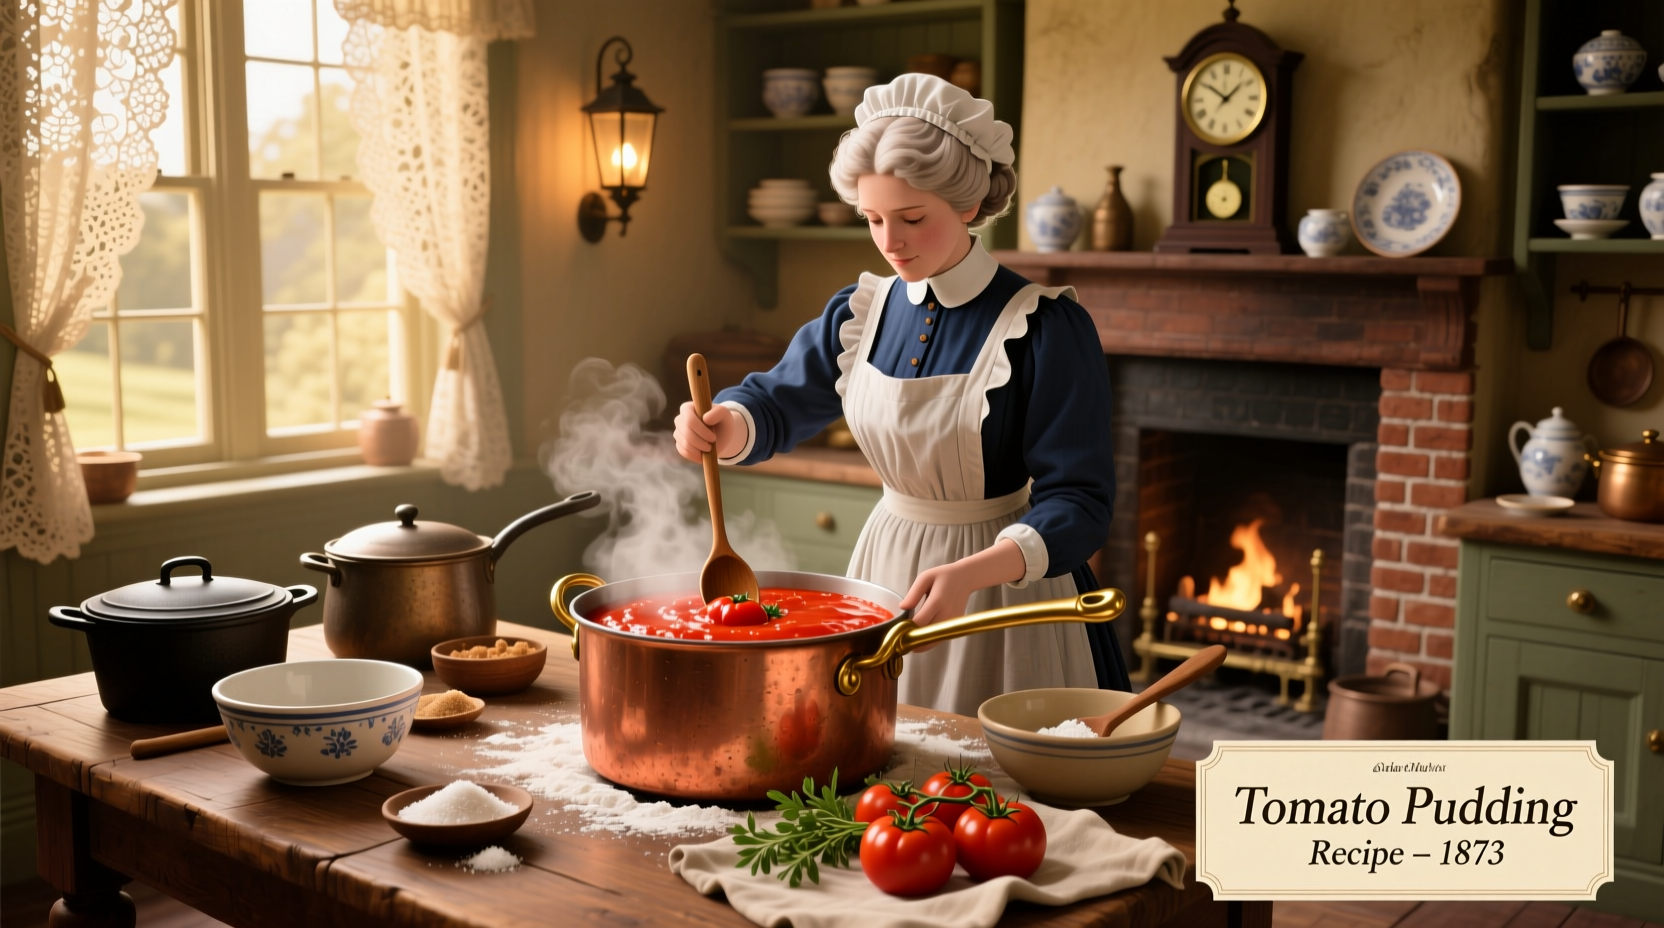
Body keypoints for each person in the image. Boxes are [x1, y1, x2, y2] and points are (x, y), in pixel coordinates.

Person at [674, 74, 1128, 716]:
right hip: (884, 567)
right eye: (873, 219)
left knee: (981, 763)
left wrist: (973, 574)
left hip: (1003, 590)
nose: (891, 242)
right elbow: (777, 401)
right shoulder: (861, 311)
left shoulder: (1046, 327)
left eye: (913, 218)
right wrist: (723, 425)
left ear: (969, 205)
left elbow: (1080, 502)